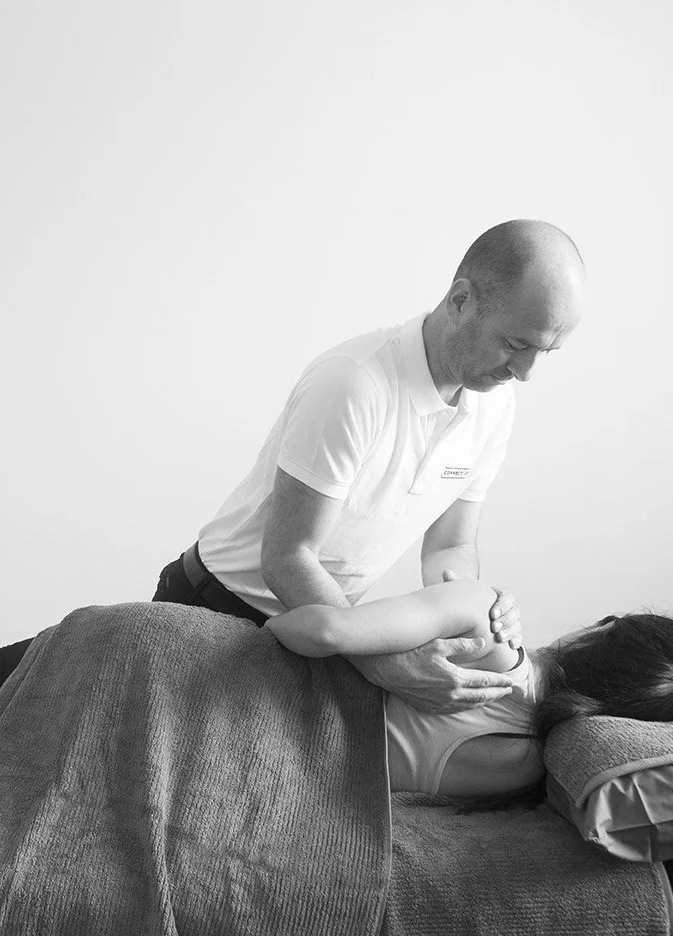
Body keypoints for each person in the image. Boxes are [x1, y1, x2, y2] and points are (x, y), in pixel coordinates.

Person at [0, 577, 673, 808]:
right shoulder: (519, 769)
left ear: (594, 632)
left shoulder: (473, 615)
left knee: (28, 669)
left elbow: (310, 626)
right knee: (32, 749)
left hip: (201, 667)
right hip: (222, 774)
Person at [152, 219, 587, 717]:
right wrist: (383, 663)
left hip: (321, 632)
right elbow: (289, 557)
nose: (525, 373)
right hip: (213, 609)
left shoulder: (494, 405)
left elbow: (450, 547)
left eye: (545, 352)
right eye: (514, 344)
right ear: (461, 300)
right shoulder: (354, 384)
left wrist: (476, 612)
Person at [265, 578, 673, 798]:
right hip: (290, 783)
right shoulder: (529, 768)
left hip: (261, 703)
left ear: (598, 632)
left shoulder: (487, 627)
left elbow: (323, 631)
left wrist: (267, 622)